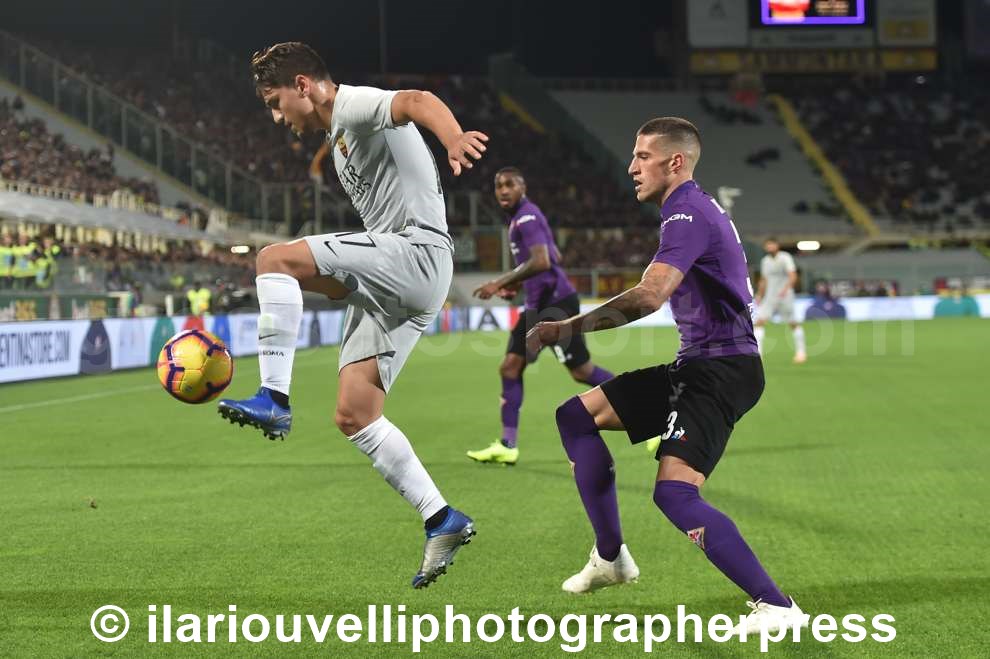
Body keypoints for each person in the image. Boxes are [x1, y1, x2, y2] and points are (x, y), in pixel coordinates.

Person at [217, 42, 489, 589]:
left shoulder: (352, 105)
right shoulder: (338, 147)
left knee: (272, 259)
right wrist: (318, 279)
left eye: (274, 102)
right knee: (355, 413)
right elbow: (343, 279)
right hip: (403, 276)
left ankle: (273, 398)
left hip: (414, 251)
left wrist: (453, 137)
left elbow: (416, 100)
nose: (276, 117)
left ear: (302, 85)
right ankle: (441, 518)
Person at [528, 117, 808, 634]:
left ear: (674, 162)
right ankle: (610, 557)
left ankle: (776, 606)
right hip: (699, 365)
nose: (632, 167)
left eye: (642, 156)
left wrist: (567, 328)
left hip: (720, 370)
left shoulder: (685, 211)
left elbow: (649, 295)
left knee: (675, 494)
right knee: (576, 416)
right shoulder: (693, 208)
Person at [468, 167, 613, 465]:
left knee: (579, 372)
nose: (503, 190)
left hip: (554, 306)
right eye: (498, 185)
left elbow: (543, 261)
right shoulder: (525, 217)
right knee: (513, 367)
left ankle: (643, 404)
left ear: (522, 187)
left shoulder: (526, 217)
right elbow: (555, 256)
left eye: (510, 184)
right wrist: (519, 283)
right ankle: (507, 445)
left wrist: (500, 282)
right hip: (542, 304)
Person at [755, 239, 806, 363]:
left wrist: (786, 289)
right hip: (770, 296)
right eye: (767, 245)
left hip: (785, 296)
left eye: (771, 245)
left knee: (793, 323)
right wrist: (759, 295)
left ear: (777, 245)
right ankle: (758, 355)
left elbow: (793, 275)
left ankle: (801, 352)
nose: (770, 247)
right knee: (759, 322)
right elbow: (764, 280)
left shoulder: (785, 257)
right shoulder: (765, 261)